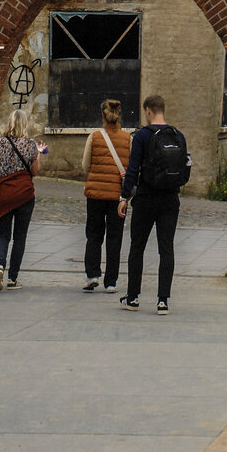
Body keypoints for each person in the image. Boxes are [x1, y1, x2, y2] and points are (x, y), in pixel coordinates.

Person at [118, 94, 189, 314]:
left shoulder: (142, 136)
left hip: (146, 198)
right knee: (166, 249)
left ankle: (133, 297)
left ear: (148, 111)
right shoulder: (178, 135)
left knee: (137, 247)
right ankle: (163, 301)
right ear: (163, 110)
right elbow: (185, 169)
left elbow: (133, 169)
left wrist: (124, 197)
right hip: (170, 199)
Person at [0, 108, 47, 291]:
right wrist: (39, 154)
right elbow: (34, 172)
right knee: (20, 237)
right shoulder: (30, 145)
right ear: (24, 124)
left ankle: (0, 266)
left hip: (3, 194)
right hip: (24, 195)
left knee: (2, 235)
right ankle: (13, 278)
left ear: (9, 123)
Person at [81, 98, 132, 292]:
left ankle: (92, 275)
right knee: (114, 238)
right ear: (119, 115)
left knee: (94, 235)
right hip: (117, 196)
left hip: (95, 194)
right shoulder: (128, 139)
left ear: (102, 115)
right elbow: (131, 168)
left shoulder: (94, 137)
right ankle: (111, 281)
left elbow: (85, 165)